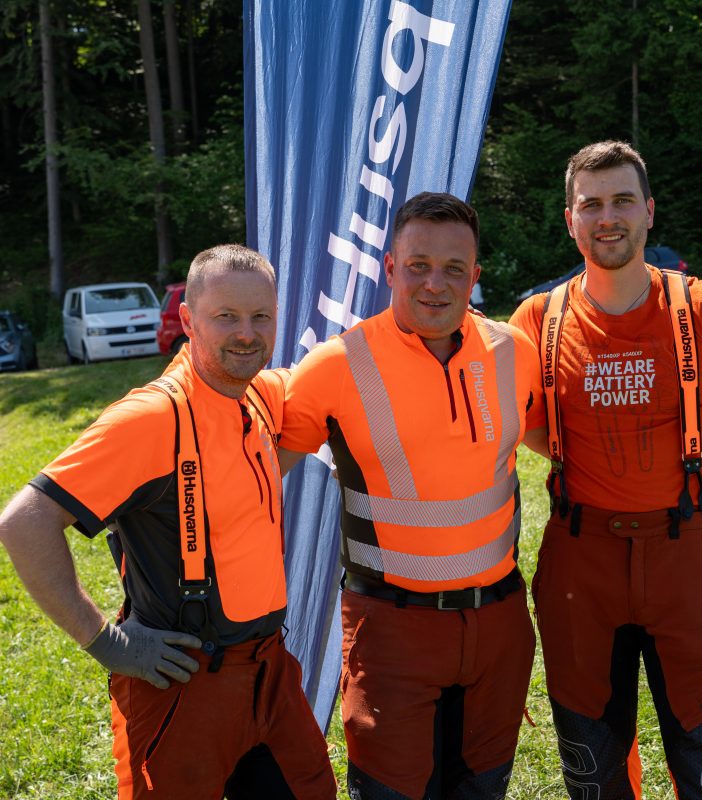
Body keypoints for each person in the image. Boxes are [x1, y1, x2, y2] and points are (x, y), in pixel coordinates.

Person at [510, 140, 702, 800]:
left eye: (623, 201)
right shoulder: (536, 319)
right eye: (591, 204)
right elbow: (514, 427)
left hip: (685, 556)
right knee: (593, 771)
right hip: (579, 564)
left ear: (649, 211)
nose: (607, 218)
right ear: (569, 219)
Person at [0, 245, 336, 800]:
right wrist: (106, 643)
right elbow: (22, 524)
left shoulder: (261, 395)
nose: (246, 333)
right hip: (183, 682)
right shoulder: (152, 418)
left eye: (261, 316)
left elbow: (338, 374)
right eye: (226, 316)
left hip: (270, 672)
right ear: (188, 320)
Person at [277, 192, 546, 799]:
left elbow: (563, 444)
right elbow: (257, 474)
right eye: (418, 266)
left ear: (475, 276)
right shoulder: (334, 366)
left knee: (482, 790)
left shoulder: (515, 351)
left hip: (498, 625)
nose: (435, 283)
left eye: (454, 269)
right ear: (390, 268)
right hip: (391, 630)